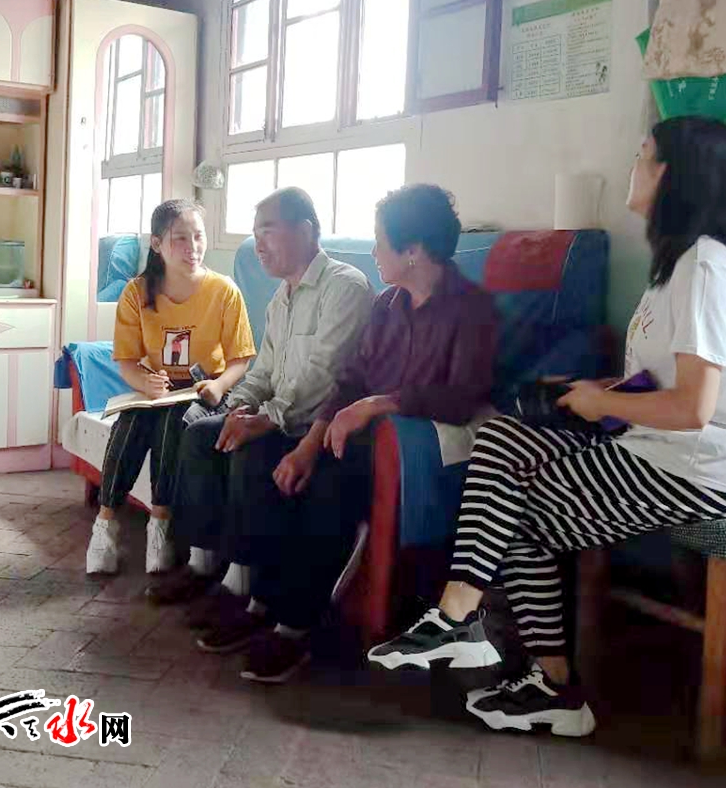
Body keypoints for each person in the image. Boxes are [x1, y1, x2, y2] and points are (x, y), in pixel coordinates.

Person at [368, 117, 726, 739]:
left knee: (511, 510)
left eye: (643, 156)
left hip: (693, 469)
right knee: (500, 439)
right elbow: (666, 383)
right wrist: (594, 391)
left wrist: (599, 402)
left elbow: (695, 408)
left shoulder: (708, 266)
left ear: (673, 174)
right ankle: (499, 646)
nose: (632, 167)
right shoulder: (680, 266)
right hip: (653, 447)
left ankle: (508, 652)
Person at [197, 183, 500, 685]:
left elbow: (462, 396)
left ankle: (296, 627)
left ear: (413, 250)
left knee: (327, 483)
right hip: (355, 435)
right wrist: (308, 444)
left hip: (411, 450)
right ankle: (261, 602)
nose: (374, 251)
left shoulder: (471, 310)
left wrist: (378, 404)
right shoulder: (388, 306)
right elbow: (351, 380)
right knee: (269, 457)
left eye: (381, 241)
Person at [148, 187, 373, 608]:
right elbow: (263, 372)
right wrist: (236, 408)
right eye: (255, 234)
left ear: (305, 230)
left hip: (313, 427)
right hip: (276, 416)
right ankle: (202, 563)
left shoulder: (345, 287)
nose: (259, 245)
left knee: (249, 449)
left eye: (268, 231)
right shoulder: (280, 298)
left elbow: (324, 374)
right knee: (200, 434)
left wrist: (265, 419)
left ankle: (241, 583)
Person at [85, 200, 257, 575]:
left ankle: (159, 526)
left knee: (170, 424)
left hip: (205, 389)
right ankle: (105, 524)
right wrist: (144, 383)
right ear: (157, 243)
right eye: (180, 238)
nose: (192, 247)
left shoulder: (224, 291)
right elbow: (127, 361)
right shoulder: (136, 292)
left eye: (198, 236)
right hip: (156, 389)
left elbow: (240, 359)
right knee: (130, 423)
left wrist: (219, 385)